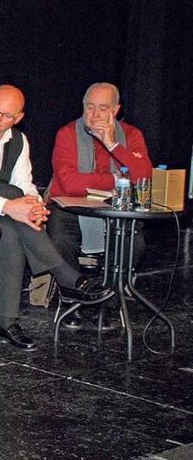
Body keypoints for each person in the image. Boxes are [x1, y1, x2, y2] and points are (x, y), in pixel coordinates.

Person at [0, 84, 113, 351]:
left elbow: (26, 184)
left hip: (4, 216)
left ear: (18, 118)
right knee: (7, 200)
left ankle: (6, 322)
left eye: (6, 115)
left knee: (9, 230)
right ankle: (67, 278)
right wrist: (10, 204)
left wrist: (33, 205)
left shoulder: (19, 141)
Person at [46, 82, 152, 328]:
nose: (94, 115)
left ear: (115, 110)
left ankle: (110, 301)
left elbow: (143, 177)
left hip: (114, 209)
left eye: (102, 108)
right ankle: (73, 297)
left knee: (133, 243)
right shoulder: (67, 134)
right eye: (89, 107)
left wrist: (114, 145)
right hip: (71, 208)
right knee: (59, 236)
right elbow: (69, 183)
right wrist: (116, 179)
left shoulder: (132, 135)